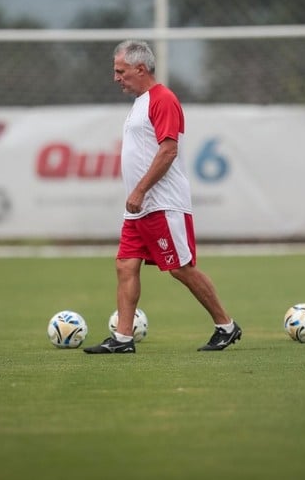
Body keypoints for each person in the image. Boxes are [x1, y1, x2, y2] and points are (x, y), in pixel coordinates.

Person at [83, 40, 242, 354]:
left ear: (140, 68)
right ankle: (123, 339)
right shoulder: (140, 103)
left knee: (180, 267)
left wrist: (140, 189)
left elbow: (169, 150)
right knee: (126, 266)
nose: (116, 77)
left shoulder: (163, 99)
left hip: (161, 203)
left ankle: (226, 326)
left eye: (121, 71)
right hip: (139, 207)